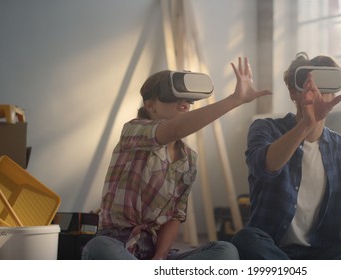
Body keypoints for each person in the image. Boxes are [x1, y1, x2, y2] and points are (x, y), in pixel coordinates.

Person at [82, 57, 271, 260]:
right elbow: (174, 130)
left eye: (188, 99)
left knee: (225, 251)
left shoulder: (188, 158)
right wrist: (235, 99)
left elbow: (175, 216)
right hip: (116, 244)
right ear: (150, 105)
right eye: (173, 97)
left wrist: (160, 259)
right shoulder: (133, 131)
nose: (184, 103)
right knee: (98, 247)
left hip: (154, 251)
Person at [231, 52, 341, 260]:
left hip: (324, 254)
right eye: (308, 85)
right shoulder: (265, 128)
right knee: (246, 240)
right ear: (293, 92)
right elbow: (266, 166)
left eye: (325, 85)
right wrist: (306, 124)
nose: (317, 93)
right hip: (273, 249)